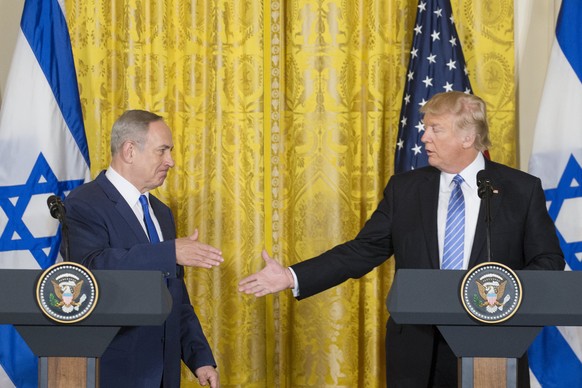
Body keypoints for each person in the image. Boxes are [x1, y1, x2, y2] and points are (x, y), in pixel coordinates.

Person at [239, 91, 564, 387]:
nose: (424, 137)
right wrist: (291, 276)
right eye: (425, 128)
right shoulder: (405, 189)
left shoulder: (520, 190)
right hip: (417, 353)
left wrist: (503, 290)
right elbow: (363, 250)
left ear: (468, 137)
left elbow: (548, 261)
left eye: (436, 129)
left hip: (491, 349)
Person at [63, 110, 223, 388]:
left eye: (170, 151)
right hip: (114, 372)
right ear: (129, 151)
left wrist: (200, 358)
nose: (171, 161)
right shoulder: (83, 203)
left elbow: (176, 296)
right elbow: (90, 269)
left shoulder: (161, 212)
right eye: (162, 151)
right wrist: (167, 253)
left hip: (164, 374)